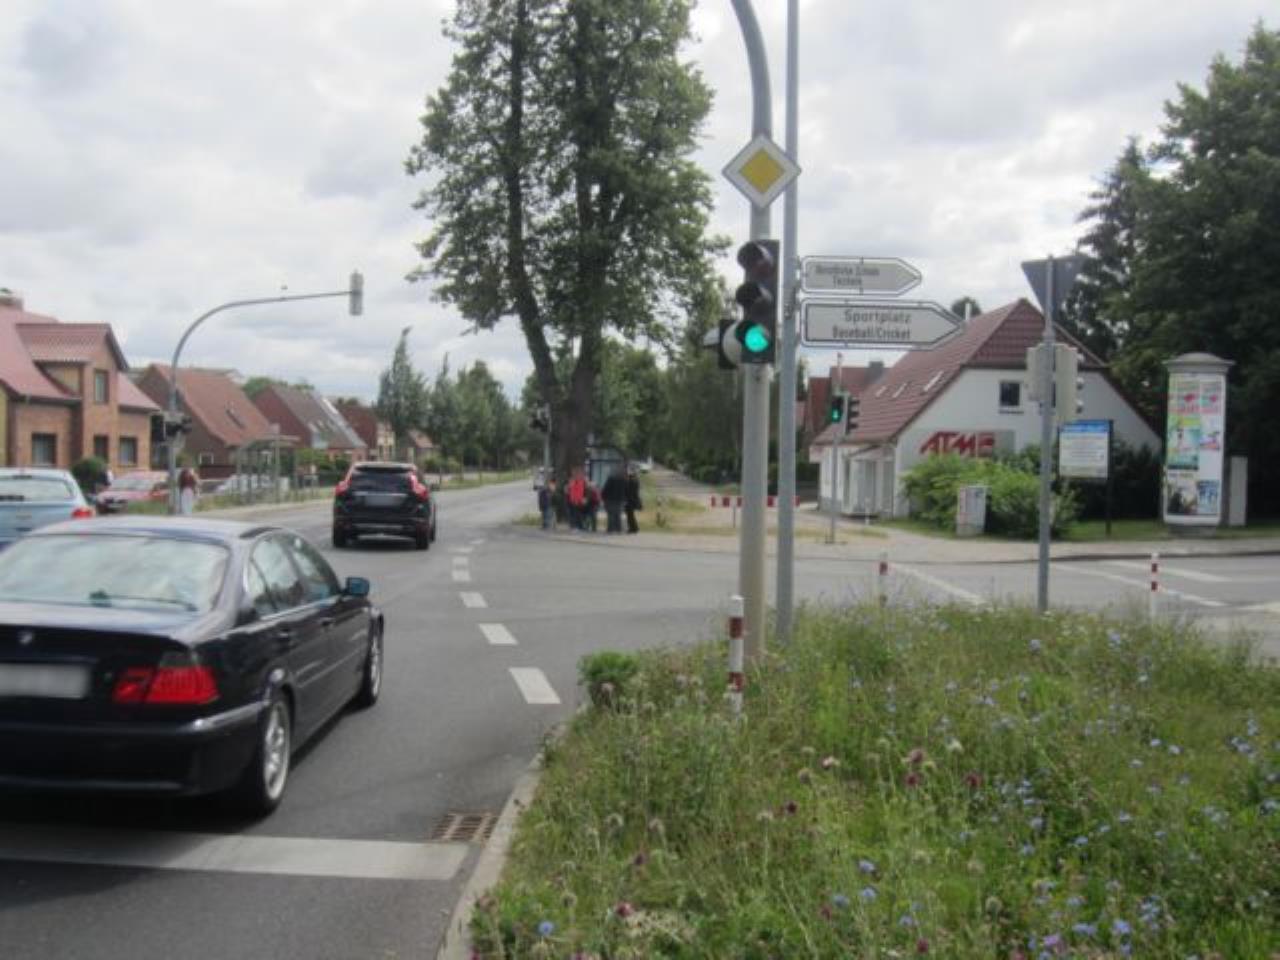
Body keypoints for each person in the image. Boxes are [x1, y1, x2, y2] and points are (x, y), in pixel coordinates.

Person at [602, 467, 626, 534]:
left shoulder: (611, 479)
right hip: (620, 500)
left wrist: (603, 497)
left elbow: (606, 489)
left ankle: (611, 529)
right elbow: (626, 490)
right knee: (618, 514)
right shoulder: (623, 480)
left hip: (610, 499)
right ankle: (618, 529)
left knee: (611, 514)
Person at [624, 466, 642, 534]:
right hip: (633, 500)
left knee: (630, 515)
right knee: (631, 515)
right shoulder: (636, 480)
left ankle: (633, 528)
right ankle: (634, 528)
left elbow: (629, 492)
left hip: (630, 501)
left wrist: (627, 500)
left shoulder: (631, 481)